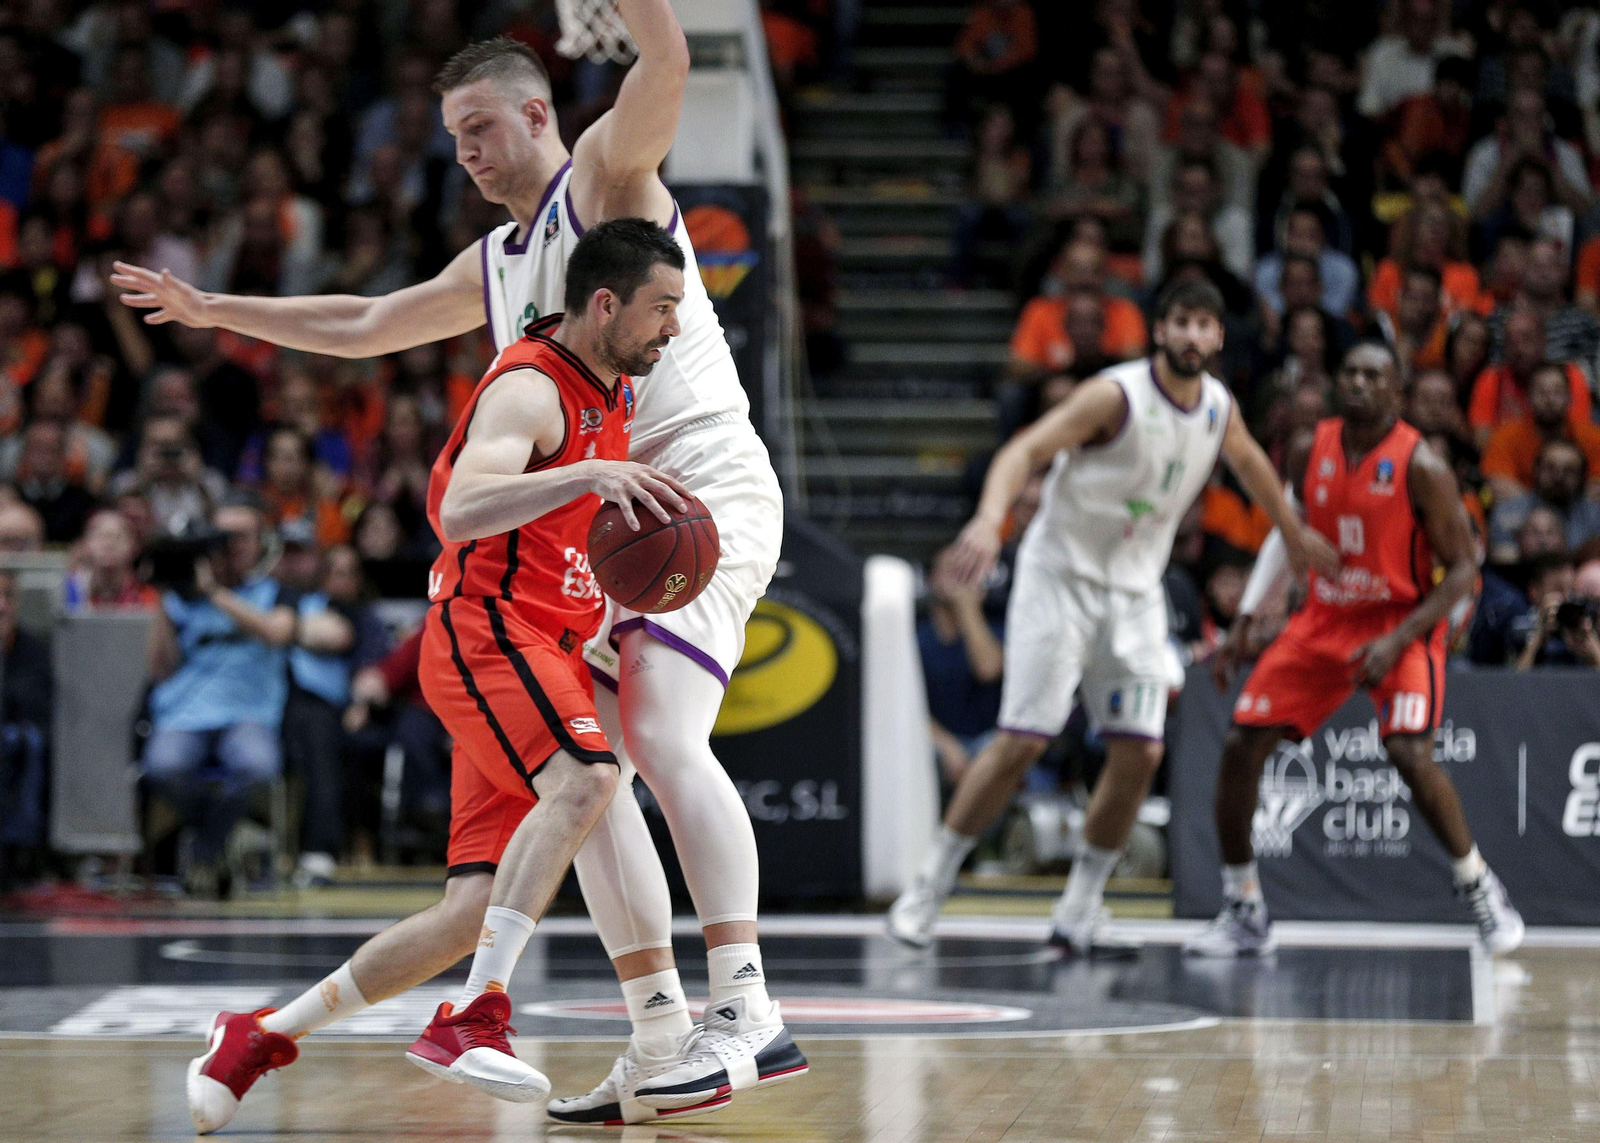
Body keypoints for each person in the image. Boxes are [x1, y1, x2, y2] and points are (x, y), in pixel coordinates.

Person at [114, 14, 800, 1128]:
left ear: (538, 114)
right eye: (451, 136)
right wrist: (212, 310)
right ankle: (660, 1031)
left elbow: (662, 68)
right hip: (606, 520)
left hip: (696, 489)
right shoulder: (498, 262)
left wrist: (647, 15)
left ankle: (747, 1004)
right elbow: (368, 321)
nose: (466, 151)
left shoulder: (604, 179)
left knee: (661, 735)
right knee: (592, 778)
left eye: (480, 126)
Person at [184, 220, 698, 1128]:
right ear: (607, 303)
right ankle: (475, 1016)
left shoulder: (610, 386)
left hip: (544, 645)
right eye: (662, 308)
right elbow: (461, 507)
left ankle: (259, 1033)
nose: (674, 327)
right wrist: (588, 476)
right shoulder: (536, 384)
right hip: (488, 630)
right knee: (588, 781)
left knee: (470, 911)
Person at [886, 280, 1339, 954]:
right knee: (1022, 741)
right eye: (1181, 321)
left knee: (1140, 749)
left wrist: (1295, 538)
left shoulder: (1218, 406)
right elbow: (1022, 451)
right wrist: (989, 516)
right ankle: (927, 889)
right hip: (1059, 578)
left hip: (1132, 591)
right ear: (1160, 331)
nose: (1192, 336)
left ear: (1218, 338)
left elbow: (1252, 467)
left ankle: (1080, 907)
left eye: (1205, 324)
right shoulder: (1114, 395)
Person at [1189, 342, 1524, 958]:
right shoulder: (1305, 448)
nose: (1360, 382)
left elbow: (1463, 572)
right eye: (1351, 371)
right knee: (1241, 745)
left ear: (1396, 392)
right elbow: (1287, 537)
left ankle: (1478, 884)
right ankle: (1244, 907)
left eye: (1375, 375)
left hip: (1401, 621)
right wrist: (1244, 619)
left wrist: (1398, 638)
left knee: (1407, 752)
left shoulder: (1422, 465)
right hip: (1323, 619)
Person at [1481, 361, 1600, 503]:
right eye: (1541, 392)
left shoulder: (1592, 437)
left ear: (1570, 398)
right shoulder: (1505, 436)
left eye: (1557, 392)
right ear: (1528, 398)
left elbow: (1596, 488)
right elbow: (1498, 485)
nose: (1549, 399)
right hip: (1523, 515)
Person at [0, 569, 52, 889]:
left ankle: (20, 852)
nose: (1, 606)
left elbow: (33, 705)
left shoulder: (32, 649)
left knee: (27, 743)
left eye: (7, 597)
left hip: (19, 745)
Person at [1488, 438, 1600, 562]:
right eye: (1550, 468)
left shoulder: (1595, 515)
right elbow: (1502, 561)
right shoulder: (1509, 511)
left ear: (1581, 477)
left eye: (1569, 471)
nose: (1558, 477)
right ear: (1536, 470)